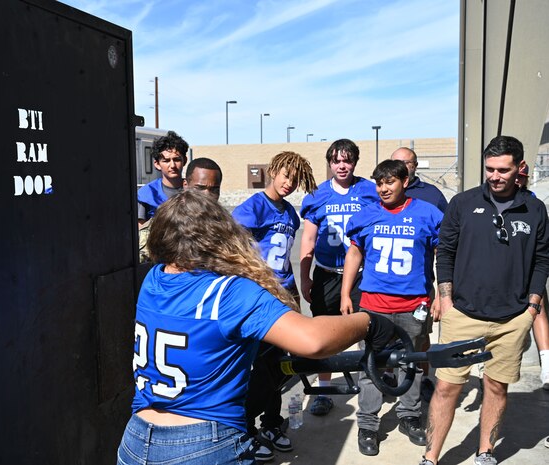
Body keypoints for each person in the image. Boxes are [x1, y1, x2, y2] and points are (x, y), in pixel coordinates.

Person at [117, 190, 397, 465]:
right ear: (219, 235)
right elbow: (313, 340)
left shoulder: (153, 280)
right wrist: (369, 322)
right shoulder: (228, 293)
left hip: (136, 439)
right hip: (202, 443)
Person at [420, 136, 549, 465]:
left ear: (519, 167)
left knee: (496, 387)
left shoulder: (534, 208)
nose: (495, 176)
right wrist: (446, 300)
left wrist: (532, 306)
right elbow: (444, 253)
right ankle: (431, 457)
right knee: (447, 387)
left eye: (503, 170)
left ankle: (485, 451)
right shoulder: (462, 204)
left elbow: (542, 260)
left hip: (512, 319)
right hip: (463, 314)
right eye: (490, 169)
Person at [341, 159, 443, 456]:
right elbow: (355, 253)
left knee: (410, 363)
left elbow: (442, 253)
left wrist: (441, 294)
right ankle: (368, 423)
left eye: (390, 182)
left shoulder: (427, 214)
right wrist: (347, 293)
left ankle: (409, 415)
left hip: (414, 304)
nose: (384, 188)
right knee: (371, 363)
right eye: (379, 183)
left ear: (405, 182)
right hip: (375, 305)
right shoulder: (366, 215)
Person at [232, 151, 316, 461]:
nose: (289, 182)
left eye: (295, 179)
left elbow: (284, 260)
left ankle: (271, 424)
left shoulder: (291, 214)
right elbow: (233, 248)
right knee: (262, 368)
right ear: (273, 171)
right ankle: (246, 429)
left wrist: (292, 296)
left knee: (279, 366)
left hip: (284, 295)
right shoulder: (253, 207)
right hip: (259, 297)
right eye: (285, 175)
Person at [299, 139, 379, 415]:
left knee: (365, 328)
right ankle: (324, 391)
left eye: (347, 160)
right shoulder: (317, 195)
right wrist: (306, 278)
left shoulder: (370, 190)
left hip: (361, 274)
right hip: (327, 272)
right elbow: (308, 239)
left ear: (355, 162)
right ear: (330, 163)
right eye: (336, 160)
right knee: (324, 332)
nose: (342, 165)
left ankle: (370, 383)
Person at [391, 147, 448, 400]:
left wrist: (442, 292)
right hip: (386, 284)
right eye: (396, 162)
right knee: (385, 336)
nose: (402, 166)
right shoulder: (380, 192)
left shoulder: (432, 196)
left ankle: (423, 377)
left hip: (421, 282)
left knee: (421, 336)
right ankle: (389, 376)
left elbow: (445, 243)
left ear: (415, 166)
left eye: (407, 162)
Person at [139, 157, 222, 262]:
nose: (207, 195)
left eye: (214, 189)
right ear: (185, 186)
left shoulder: (225, 226)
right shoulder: (167, 220)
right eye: (200, 188)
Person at [516, 163, 549, 390]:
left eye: (522, 177)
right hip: (502, 272)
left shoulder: (534, 204)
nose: (518, 180)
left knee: (539, 312)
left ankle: (546, 367)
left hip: (529, 269)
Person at [137, 130, 189, 226]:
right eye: (166, 161)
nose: (172, 165)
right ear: (157, 164)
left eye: (177, 159)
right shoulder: (147, 194)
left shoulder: (193, 190)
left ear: (184, 160)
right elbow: (141, 232)